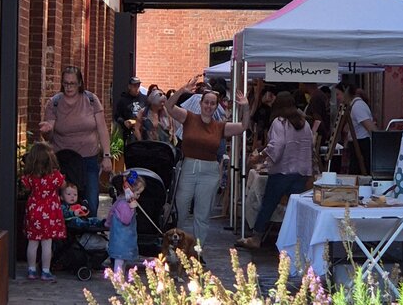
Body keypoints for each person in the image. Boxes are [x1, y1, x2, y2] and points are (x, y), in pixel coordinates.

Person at [167, 76, 251, 248]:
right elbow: (169, 107)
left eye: (213, 103)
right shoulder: (189, 118)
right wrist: (182, 90)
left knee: (202, 214)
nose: (209, 106)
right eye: (206, 102)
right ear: (201, 103)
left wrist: (246, 106)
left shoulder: (219, 126)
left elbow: (243, 126)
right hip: (188, 167)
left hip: (209, 172)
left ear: (216, 106)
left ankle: (197, 251)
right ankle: (178, 246)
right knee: (181, 209)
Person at [235, 91, 313, 249]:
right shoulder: (305, 123)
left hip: (282, 171)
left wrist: (261, 157)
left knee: (268, 204)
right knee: (296, 209)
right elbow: (309, 145)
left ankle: (256, 238)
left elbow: (277, 145)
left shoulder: (280, 122)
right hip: (301, 172)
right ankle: (297, 240)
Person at [39, 66, 112, 217]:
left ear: (79, 83)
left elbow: (102, 129)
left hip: (89, 158)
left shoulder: (91, 100)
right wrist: (46, 130)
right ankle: (65, 234)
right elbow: (49, 132)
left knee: (91, 200)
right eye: (66, 83)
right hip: (64, 160)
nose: (69, 87)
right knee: (65, 199)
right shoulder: (54, 103)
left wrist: (106, 155)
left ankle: (87, 233)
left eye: (72, 83)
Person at [20, 141, 67, 282]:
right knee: (47, 243)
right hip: (50, 211)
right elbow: (63, 185)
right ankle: (46, 271)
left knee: (33, 243)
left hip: (34, 210)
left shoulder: (31, 176)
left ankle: (31, 269)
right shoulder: (55, 175)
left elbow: (26, 188)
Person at [106, 170, 146, 274]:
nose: (138, 196)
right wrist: (132, 208)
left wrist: (108, 224)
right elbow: (126, 220)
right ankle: (118, 283)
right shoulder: (124, 205)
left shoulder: (119, 201)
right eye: (137, 193)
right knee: (119, 263)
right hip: (122, 240)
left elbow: (110, 214)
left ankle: (120, 281)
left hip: (120, 239)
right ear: (128, 190)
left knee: (122, 262)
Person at [348, 86, 378, 175]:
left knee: (360, 172)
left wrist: (378, 142)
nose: (337, 98)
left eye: (338, 94)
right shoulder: (354, 106)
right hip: (358, 143)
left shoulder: (358, 106)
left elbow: (370, 127)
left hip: (361, 144)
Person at [113, 76, 148, 143]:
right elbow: (117, 116)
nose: (137, 88)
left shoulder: (145, 99)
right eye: (134, 86)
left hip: (143, 132)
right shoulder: (123, 100)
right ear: (129, 87)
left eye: (138, 86)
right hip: (129, 132)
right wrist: (124, 122)